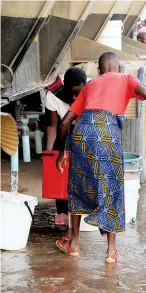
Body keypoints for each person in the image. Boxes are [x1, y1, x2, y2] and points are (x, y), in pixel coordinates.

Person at [55, 52, 146, 263]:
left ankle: (74, 244)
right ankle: (111, 252)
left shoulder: (90, 85)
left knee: (77, 187)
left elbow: (64, 123)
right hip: (107, 132)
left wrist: (61, 152)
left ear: (99, 70)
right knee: (112, 188)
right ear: (119, 68)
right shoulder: (127, 79)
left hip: (81, 131)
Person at [45, 68, 87, 226]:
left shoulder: (90, 91)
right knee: (60, 168)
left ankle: (82, 209)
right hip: (63, 130)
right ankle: (62, 211)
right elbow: (52, 127)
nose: (76, 97)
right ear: (65, 88)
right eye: (73, 93)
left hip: (84, 128)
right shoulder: (53, 95)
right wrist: (50, 154)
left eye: (79, 94)